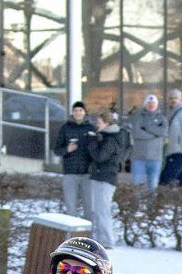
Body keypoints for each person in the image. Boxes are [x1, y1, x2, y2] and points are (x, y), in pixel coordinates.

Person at [83, 110, 128, 247]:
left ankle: (107, 240)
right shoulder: (106, 137)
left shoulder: (111, 139)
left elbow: (100, 157)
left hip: (105, 179)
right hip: (101, 177)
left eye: (99, 123)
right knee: (98, 210)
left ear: (107, 124)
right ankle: (101, 238)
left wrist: (92, 142)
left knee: (103, 211)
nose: (97, 126)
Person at [53, 101, 95, 220]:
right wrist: (67, 149)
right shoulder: (65, 128)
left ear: (85, 112)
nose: (78, 113)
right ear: (72, 112)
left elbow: (97, 149)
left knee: (89, 207)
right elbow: (56, 150)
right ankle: (73, 236)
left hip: (88, 173)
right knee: (71, 207)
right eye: (76, 110)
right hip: (70, 172)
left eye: (80, 110)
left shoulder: (91, 128)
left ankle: (88, 236)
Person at [127, 94, 167, 193]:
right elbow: (136, 133)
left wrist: (147, 127)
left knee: (153, 187)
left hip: (156, 158)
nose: (151, 105)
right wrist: (154, 135)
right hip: (139, 158)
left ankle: (152, 208)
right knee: (137, 187)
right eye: (149, 103)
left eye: (153, 103)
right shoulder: (138, 117)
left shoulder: (162, 119)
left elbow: (163, 132)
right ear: (145, 104)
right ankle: (137, 208)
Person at [160, 89, 182, 188]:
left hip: (180, 152)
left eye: (175, 98)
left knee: (164, 179)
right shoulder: (170, 113)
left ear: (180, 99)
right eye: (171, 98)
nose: (173, 100)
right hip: (172, 151)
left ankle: (158, 199)